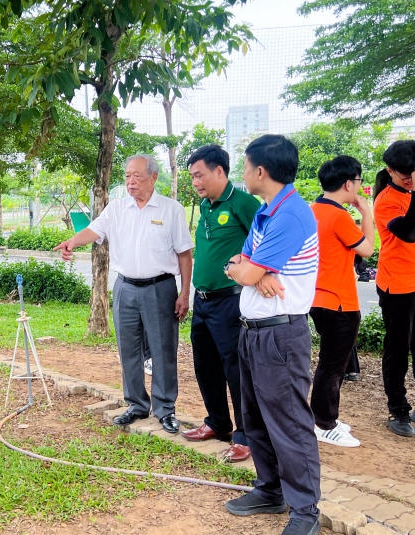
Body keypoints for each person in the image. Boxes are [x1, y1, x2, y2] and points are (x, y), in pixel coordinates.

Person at [223, 135, 321, 535]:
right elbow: (239, 264)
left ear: (260, 172)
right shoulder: (267, 213)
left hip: (280, 336)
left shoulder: (293, 215)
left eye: (245, 167)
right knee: (256, 417)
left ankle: (305, 512)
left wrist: (250, 271)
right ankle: (269, 489)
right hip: (253, 333)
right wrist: (248, 271)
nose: (243, 174)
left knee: (290, 422)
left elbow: (246, 270)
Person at [54, 154, 193, 434]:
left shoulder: (171, 210)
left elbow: (185, 254)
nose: (131, 181)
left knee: (163, 350)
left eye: (137, 176)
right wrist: (72, 241)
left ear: (153, 177)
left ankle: (165, 409)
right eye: (127, 176)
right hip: (125, 288)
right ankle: (137, 405)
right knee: (128, 350)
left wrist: (184, 292)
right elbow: (94, 230)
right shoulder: (117, 208)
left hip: (160, 288)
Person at [181, 144, 260, 463]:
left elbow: (263, 243)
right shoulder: (205, 206)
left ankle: (245, 435)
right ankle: (217, 422)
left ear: (219, 171)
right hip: (203, 302)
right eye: (191, 177)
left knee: (235, 368)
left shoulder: (244, 203)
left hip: (231, 301)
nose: (195, 182)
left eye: (199, 175)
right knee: (205, 365)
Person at [309, 155, 374, 448]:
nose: (359, 188)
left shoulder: (312, 210)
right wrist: (367, 213)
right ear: (348, 183)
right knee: (333, 366)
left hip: (316, 298)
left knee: (330, 362)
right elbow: (368, 250)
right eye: (358, 182)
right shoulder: (339, 216)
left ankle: (323, 417)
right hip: (339, 302)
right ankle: (324, 423)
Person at [372, 139, 415, 437]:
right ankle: (398, 409)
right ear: (390, 171)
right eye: (405, 174)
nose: (410, 178)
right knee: (398, 348)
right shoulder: (386, 201)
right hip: (396, 285)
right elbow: (409, 233)